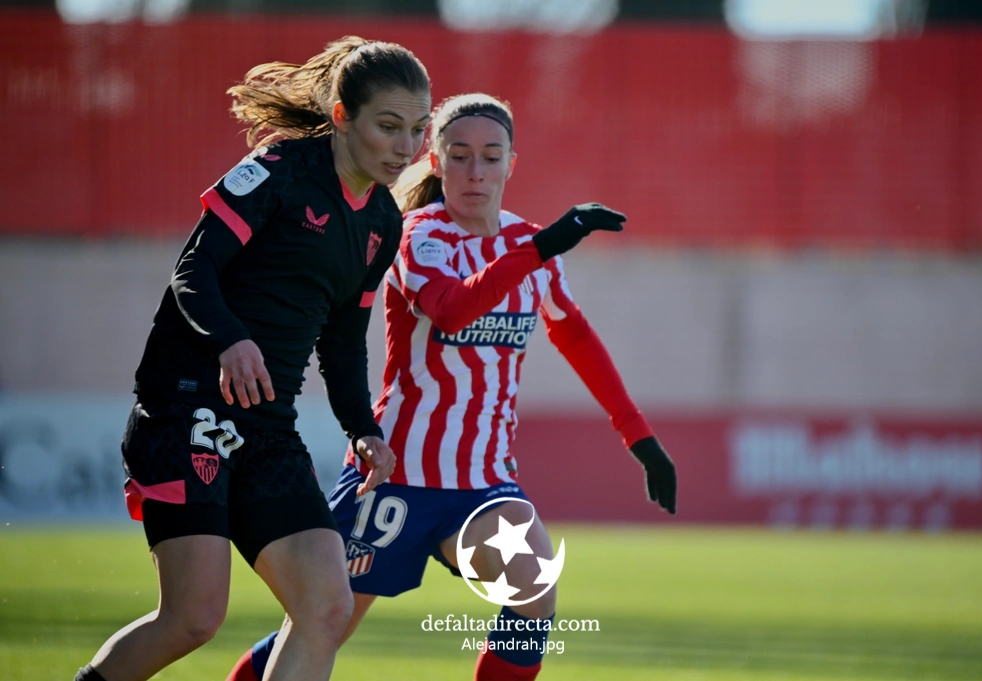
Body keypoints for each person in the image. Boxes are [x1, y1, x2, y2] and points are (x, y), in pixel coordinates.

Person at [226, 93, 676, 681]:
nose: (476, 171)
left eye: (491, 156)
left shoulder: (531, 242)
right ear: (434, 162)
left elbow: (576, 337)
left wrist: (639, 438)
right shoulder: (417, 234)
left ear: (512, 164)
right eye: (459, 156)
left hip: (483, 484)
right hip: (394, 476)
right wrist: (541, 247)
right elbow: (449, 309)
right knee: (321, 626)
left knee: (534, 589)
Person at [73, 37, 432, 681]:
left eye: (417, 129)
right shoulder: (280, 170)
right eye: (389, 126)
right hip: (186, 410)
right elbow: (194, 270)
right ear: (343, 116)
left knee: (326, 607)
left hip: (268, 430)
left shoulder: (384, 220)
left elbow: (345, 341)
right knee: (192, 618)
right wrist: (231, 340)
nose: (407, 148)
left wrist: (362, 427)